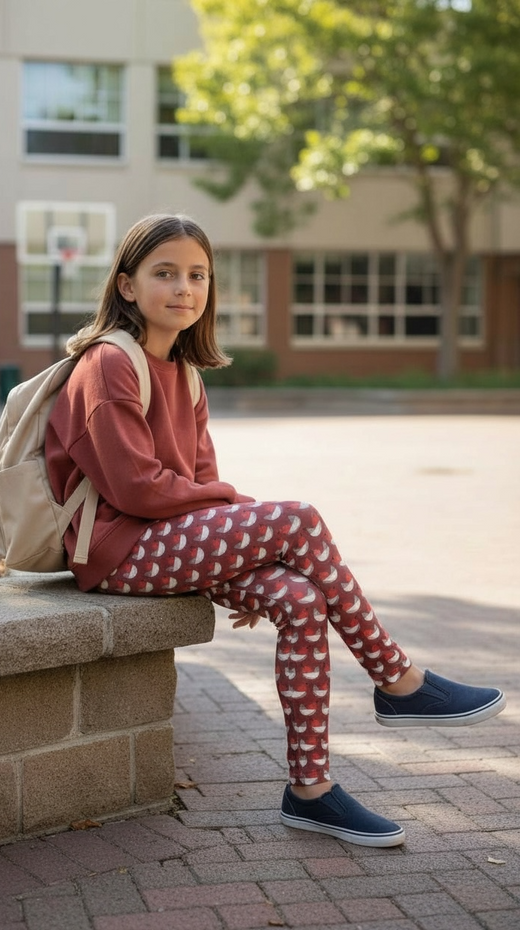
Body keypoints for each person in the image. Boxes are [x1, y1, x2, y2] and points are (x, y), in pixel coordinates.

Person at [45, 213, 506, 848]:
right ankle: (397, 680)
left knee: (300, 597)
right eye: (165, 273)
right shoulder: (107, 364)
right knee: (298, 518)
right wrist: (239, 518)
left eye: (197, 275)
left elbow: (201, 482)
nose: (184, 288)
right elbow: (137, 490)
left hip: (170, 544)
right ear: (126, 286)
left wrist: (236, 550)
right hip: (116, 552)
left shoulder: (185, 373)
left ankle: (310, 791)